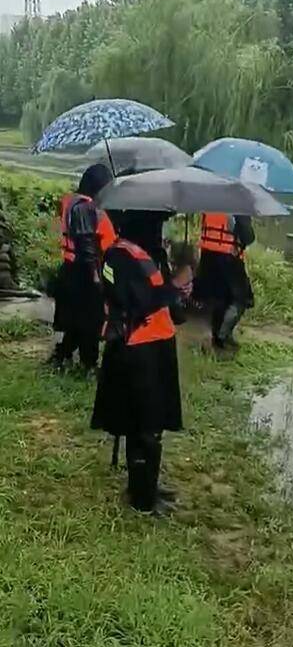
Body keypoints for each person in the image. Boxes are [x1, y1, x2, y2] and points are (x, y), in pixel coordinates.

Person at [91, 211, 183, 517]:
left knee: (153, 423)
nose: (161, 231)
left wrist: (180, 287)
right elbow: (138, 302)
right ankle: (141, 498)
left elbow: (167, 304)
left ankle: (148, 486)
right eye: (157, 224)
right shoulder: (117, 257)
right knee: (142, 425)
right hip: (136, 351)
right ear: (143, 224)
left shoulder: (150, 253)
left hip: (158, 347)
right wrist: (174, 288)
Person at [51, 163, 115, 371]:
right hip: (84, 273)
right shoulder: (85, 208)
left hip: (73, 269)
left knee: (77, 320)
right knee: (92, 320)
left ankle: (62, 355)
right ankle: (88, 364)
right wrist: (96, 277)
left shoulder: (75, 203)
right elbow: (87, 244)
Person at [195, 213, 255, 350]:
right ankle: (222, 337)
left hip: (208, 257)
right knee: (240, 300)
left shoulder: (211, 202)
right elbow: (248, 237)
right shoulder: (237, 205)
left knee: (218, 299)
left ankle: (217, 336)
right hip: (229, 257)